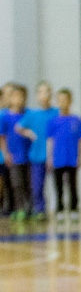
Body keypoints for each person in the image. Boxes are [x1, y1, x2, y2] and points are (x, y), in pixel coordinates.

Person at [16, 82, 58, 220]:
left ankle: (57, 209)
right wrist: (28, 133)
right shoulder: (32, 114)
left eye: (46, 91)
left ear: (51, 94)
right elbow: (18, 127)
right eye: (40, 91)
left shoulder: (56, 113)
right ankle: (39, 210)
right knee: (37, 185)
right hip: (37, 155)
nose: (43, 94)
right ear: (37, 95)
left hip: (54, 156)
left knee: (56, 185)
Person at [47, 88, 81, 221]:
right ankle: (59, 210)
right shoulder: (53, 121)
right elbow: (50, 141)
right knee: (58, 186)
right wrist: (50, 158)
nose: (62, 102)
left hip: (72, 158)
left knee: (73, 186)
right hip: (58, 159)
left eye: (65, 100)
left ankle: (74, 209)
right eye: (60, 100)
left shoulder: (77, 120)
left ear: (70, 101)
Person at [0, 85, 31, 221]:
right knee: (15, 184)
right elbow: (2, 137)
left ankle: (29, 208)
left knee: (28, 184)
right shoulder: (4, 116)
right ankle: (18, 209)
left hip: (28, 156)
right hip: (13, 156)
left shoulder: (27, 115)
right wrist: (6, 153)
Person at [0, 83, 13, 216]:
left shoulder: (14, 114)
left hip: (10, 155)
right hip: (3, 155)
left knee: (11, 183)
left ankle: (10, 208)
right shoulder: (2, 114)